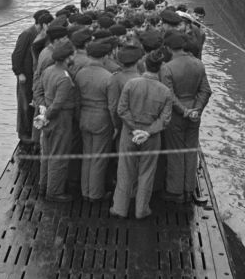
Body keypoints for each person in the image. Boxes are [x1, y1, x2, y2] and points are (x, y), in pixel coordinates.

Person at [110, 51, 173, 219]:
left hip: (129, 133)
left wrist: (134, 127)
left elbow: (121, 109)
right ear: (160, 68)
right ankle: (141, 210)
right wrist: (147, 132)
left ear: (144, 65)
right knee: (146, 173)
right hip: (151, 137)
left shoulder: (131, 84)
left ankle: (119, 208)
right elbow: (165, 119)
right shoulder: (165, 91)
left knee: (125, 170)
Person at [160, 32, 212, 203]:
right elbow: (206, 90)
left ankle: (176, 191)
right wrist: (196, 109)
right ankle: (189, 188)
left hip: (176, 115)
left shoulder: (167, 68)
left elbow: (169, 95)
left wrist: (183, 111)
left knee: (175, 151)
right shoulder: (198, 64)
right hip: (195, 114)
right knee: (190, 150)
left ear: (169, 48)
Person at [34, 41, 78, 202]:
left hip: (48, 118)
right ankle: (55, 191)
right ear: (67, 58)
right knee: (58, 155)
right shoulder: (64, 78)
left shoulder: (47, 71)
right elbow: (59, 104)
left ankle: (43, 185)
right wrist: (48, 115)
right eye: (72, 54)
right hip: (60, 120)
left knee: (46, 154)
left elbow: (38, 92)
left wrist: (43, 109)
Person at [74, 41, 118, 201]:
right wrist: (116, 126)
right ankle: (96, 193)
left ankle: (85, 191)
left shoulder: (80, 74)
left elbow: (76, 100)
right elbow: (113, 106)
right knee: (99, 157)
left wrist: (79, 116)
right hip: (102, 119)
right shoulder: (108, 77)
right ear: (105, 56)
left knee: (87, 155)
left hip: (84, 116)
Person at [11, 10, 51, 145]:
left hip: (34, 75)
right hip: (25, 76)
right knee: (24, 105)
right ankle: (23, 134)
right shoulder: (27, 34)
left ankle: (32, 131)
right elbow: (17, 55)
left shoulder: (42, 35)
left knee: (33, 104)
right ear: (41, 24)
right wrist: (19, 72)